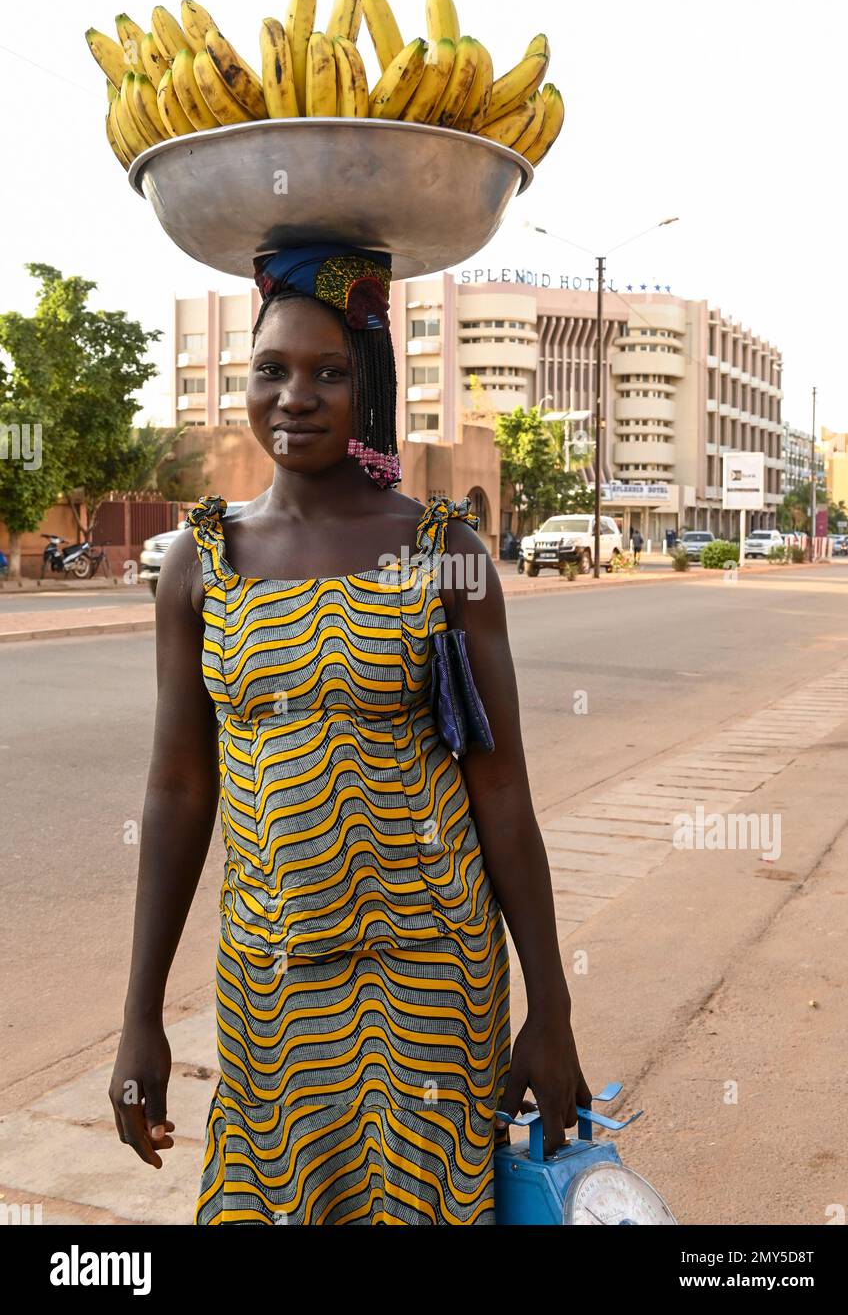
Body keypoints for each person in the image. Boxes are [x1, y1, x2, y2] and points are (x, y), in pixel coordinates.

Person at [108, 241, 590, 1226]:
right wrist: (140, 1014)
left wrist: (552, 1004)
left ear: (366, 385)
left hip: (432, 981)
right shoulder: (200, 565)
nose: (296, 396)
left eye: (328, 372)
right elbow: (178, 791)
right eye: (272, 370)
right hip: (272, 984)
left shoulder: (444, 550)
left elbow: (500, 790)